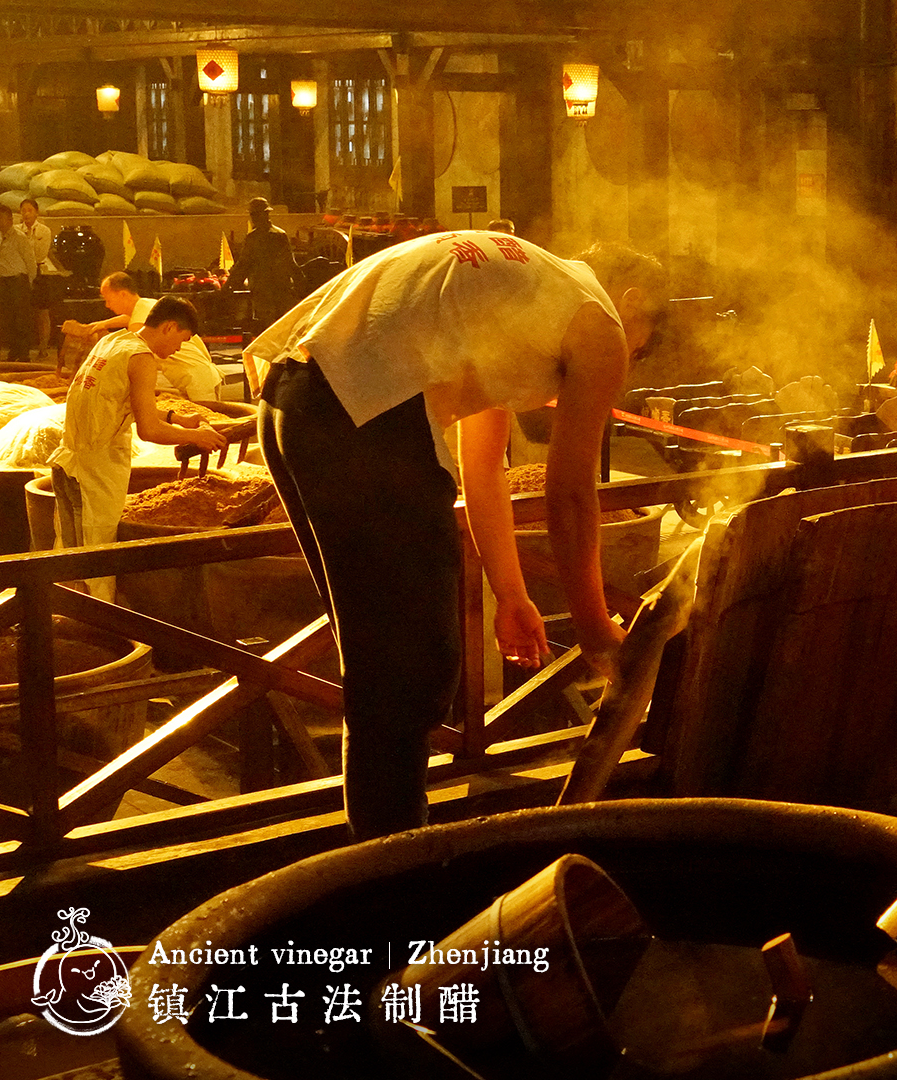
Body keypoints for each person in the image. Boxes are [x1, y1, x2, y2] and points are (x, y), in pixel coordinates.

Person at [243, 233, 665, 841]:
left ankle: (378, 851)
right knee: (412, 669)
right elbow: (570, 496)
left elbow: (482, 469)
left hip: (291, 407)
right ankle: (394, 869)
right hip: (365, 416)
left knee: (380, 661)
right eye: (639, 347)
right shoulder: (599, 320)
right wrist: (598, 630)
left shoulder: (521, 293)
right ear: (634, 302)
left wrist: (513, 595)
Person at [49, 296, 228, 554]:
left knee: (68, 557)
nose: (179, 348)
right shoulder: (143, 358)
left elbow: (120, 401)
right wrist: (195, 436)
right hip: (94, 473)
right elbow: (148, 431)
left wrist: (177, 419)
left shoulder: (113, 341)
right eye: (182, 339)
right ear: (168, 327)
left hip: (67, 465)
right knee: (95, 559)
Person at [62, 272, 222, 396]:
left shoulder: (140, 321)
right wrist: (101, 324)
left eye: (108, 299)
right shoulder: (148, 306)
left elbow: (129, 350)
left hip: (198, 378)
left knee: (207, 423)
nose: (107, 305)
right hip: (199, 376)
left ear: (122, 294)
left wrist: (95, 334)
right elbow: (129, 318)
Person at [225, 197, 303, 325]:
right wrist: (300, 283)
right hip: (281, 288)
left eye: (254, 215)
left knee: (267, 326)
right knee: (282, 324)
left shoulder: (253, 237)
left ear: (264, 215)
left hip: (263, 289)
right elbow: (291, 263)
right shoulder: (280, 234)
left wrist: (228, 286)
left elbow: (244, 265)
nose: (253, 218)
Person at [0, 205, 36, 363]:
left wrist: (29, 282)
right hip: (4, 281)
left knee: (21, 319)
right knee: (8, 318)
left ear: (9, 220)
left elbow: (30, 261)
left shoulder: (19, 237)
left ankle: (24, 353)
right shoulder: (0, 236)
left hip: (18, 281)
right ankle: (13, 351)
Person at [18, 197, 59, 359]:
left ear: (36, 213)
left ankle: (43, 347)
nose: (26, 214)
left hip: (39, 272)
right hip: (21, 273)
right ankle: (24, 348)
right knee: (23, 312)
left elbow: (40, 253)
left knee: (42, 312)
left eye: (30, 210)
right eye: (23, 210)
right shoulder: (16, 230)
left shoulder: (44, 231)